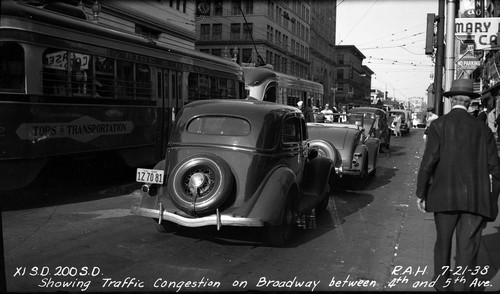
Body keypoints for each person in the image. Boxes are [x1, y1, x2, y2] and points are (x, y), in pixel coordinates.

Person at [416, 79, 500, 291]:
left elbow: (428, 163)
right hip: (475, 199)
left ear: (452, 100)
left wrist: (421, 193)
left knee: (443, 243)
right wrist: (492, 201)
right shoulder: (484, 130)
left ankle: (442, 284)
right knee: (468, 247)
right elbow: (496, 170)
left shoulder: (438, 126)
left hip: (443, 196)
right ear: (470, 102)